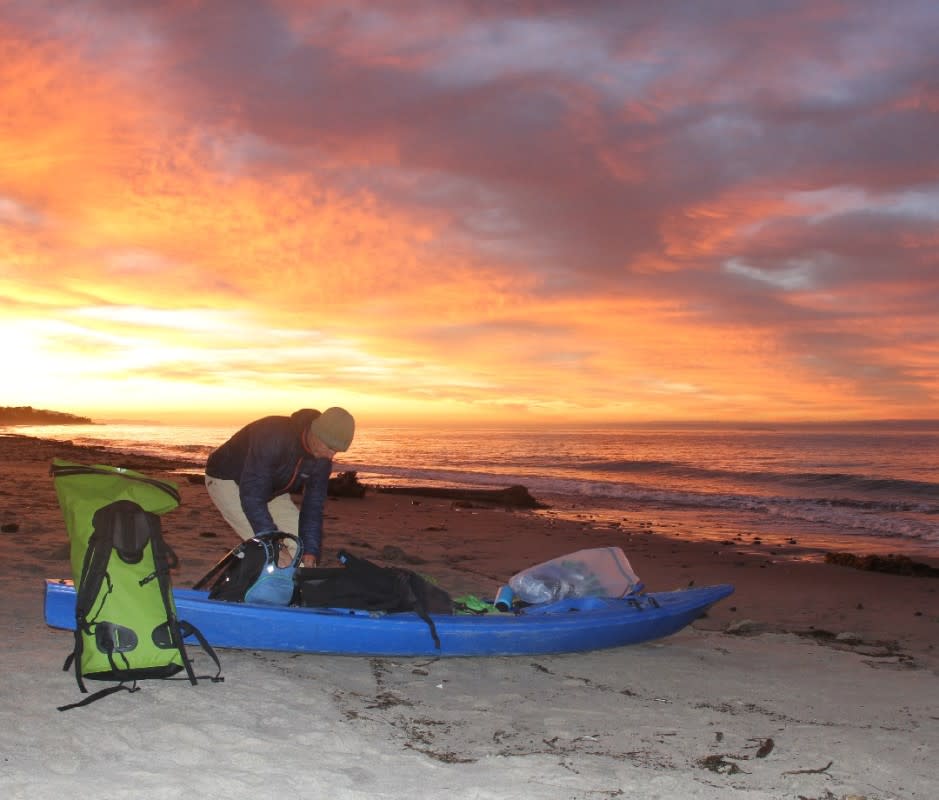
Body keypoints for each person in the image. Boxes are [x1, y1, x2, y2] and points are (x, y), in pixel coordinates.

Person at [204, 407, 355, 567]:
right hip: (227, 480)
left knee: (300, 550)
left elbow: (313, 508)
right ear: (316, 433)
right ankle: (246, 574)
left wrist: (311, 552)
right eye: (330, 448)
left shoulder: (322, 459)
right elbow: (252, 497)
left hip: (271, 490)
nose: (331, 456)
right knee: (274, 553)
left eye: (337, 451)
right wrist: (276, 545)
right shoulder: (273, 435)